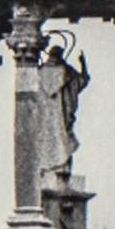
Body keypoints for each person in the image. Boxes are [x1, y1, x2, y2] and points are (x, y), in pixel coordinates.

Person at [36, 37, 90, 186]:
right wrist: (83, 64)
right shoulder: (67, 72)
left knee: (45, 142)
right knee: (63, 142)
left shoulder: (38, 72)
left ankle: (46, 170)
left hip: (45, 118)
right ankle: (63, 169)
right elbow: (83, 80)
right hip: (61, 117)